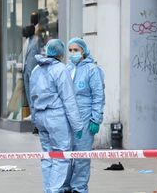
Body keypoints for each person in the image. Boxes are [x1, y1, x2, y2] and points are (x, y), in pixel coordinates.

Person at [29, 39, 84, 193]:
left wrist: (35, 120)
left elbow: (31, 97)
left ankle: (48, 189)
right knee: (61, 155)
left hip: (40, 117)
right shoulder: (60, 69)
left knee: (47, 156)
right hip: (56, 118)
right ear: (60, 54)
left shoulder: (36, 70)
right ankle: (54, 190)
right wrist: (77, 125)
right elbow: (68, 99)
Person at [65, 37, 105, 193]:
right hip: (68, 119)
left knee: (81, 157)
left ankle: (79, 188)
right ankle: (66, 186)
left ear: (83, 51)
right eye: (70, 50)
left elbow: (98, 96)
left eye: (76, 50)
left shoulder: (92, 70)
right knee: (66, 156)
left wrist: (96, 119)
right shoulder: (67, 69)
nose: (73, 53)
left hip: (85, 118)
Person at [22, 12, 42, 134]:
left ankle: (38, 124)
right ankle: (35, 124)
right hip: (26, 72)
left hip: (35, 72)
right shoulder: (26, 42)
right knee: (30, 99)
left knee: (36, 98)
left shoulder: (37, 40)